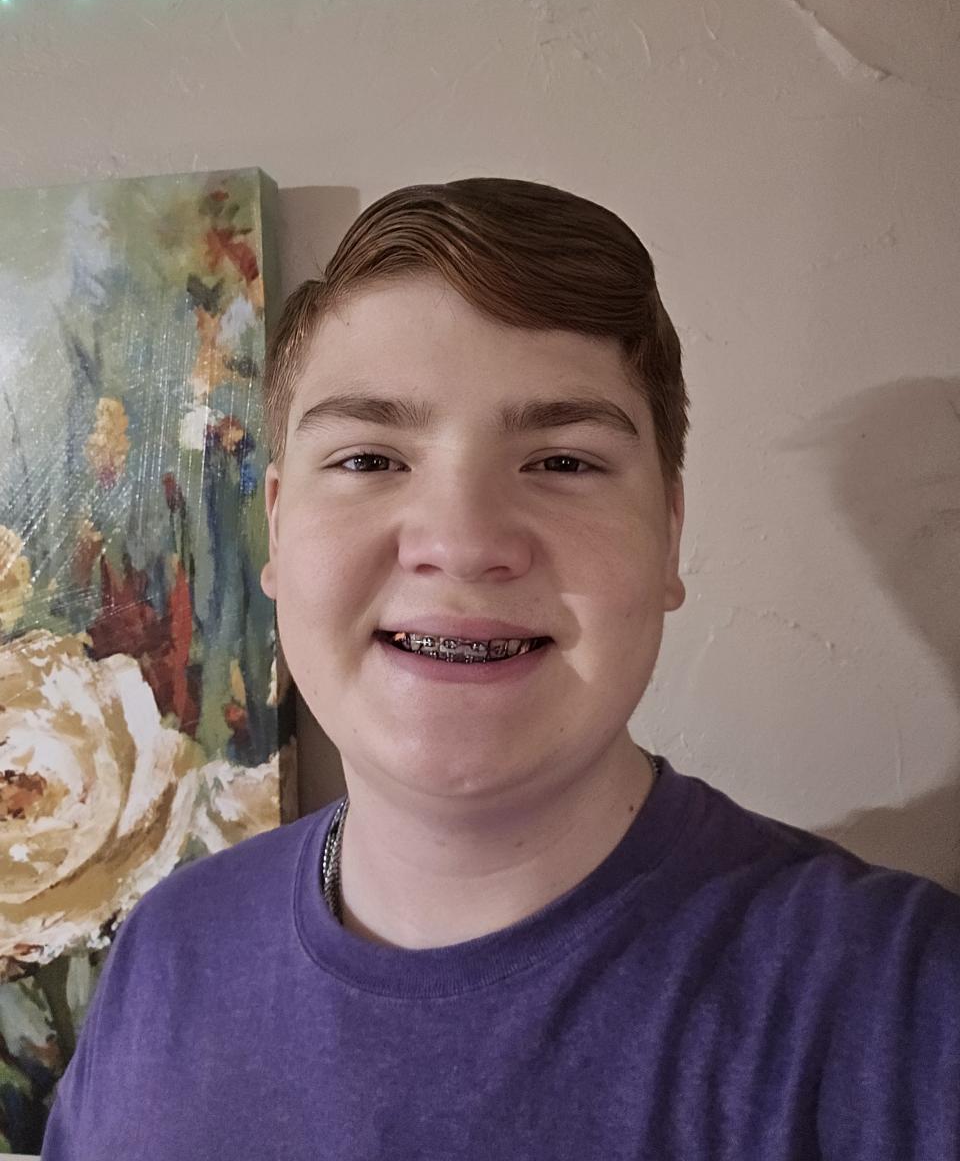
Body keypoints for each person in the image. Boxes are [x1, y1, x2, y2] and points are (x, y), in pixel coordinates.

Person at [43, 179, 960, 1159]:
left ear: (668, 537)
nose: (463, 542)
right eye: (368, 460)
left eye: (564, 462)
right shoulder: (165, 952)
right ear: (276, 525)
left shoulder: (905, 1007)